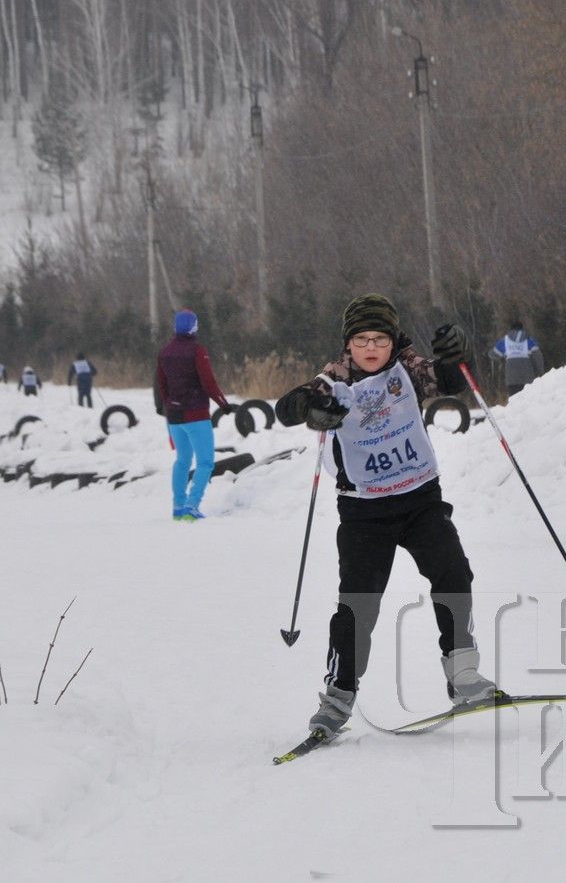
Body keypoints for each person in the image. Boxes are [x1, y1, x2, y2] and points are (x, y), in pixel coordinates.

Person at [273, 294, 499, 742]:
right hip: (363, 511)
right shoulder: (336, 378)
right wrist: (310, 411)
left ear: (393, 340)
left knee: (453, 572)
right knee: (359, 603)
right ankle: (337, 699)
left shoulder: (407, 368)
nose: (371, 348)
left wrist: (457, 354)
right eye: (361, 340)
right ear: (348, 343)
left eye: (379, 339)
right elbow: (289, 407)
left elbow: (449, 378)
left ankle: (463, 675)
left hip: (420, 499)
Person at [154, 309, 230, 520]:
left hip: (174, 416)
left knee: (182, 461)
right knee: (205, 462)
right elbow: (208, 381)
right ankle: (192, 505)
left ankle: (178, 507)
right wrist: (223, 404)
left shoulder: (165, 352)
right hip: (195, 414)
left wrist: (168, 406)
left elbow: (161, 384)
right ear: (193, 326)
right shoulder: (197, 350)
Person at [490, 321, 545, 397]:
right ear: (522, 329)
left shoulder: (504, 341)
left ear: (511, 330)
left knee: (514, 400)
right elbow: (538, 357)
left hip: (511, 378)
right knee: (528, 399)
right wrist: (541, 373)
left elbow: (492, 354)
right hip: (527, 377)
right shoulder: (529, 340)